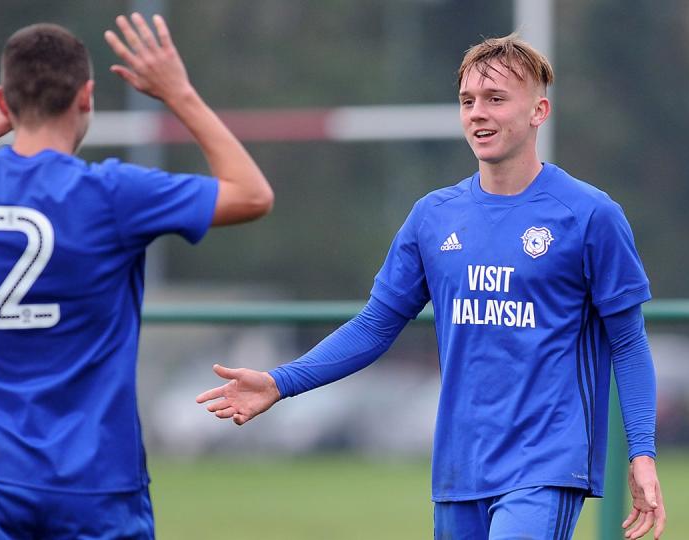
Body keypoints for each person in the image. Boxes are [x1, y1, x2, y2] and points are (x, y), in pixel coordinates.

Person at [197, 34, 665, 539]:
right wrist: (279, 382)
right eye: (468, 101)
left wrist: (642, 452)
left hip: (545, 464)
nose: (478, 113)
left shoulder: (590, 215)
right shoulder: (433, 216)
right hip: (459, 468)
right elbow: (374, 326)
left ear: (539, 111)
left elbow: (628, 343)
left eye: (496, 99)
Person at [0, 13, 273, 539]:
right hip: (94, 484)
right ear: (86, 96)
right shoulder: (114, 194)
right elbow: (252, 194)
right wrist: (178, 93)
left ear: (3, 101)